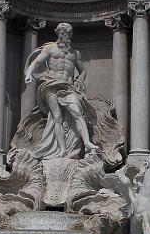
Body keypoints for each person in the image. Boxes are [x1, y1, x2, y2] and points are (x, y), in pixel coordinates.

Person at [23, 23, 99, 159]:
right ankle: (62, 150)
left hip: (68, 87)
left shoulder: (75, 53)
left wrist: (79, 81)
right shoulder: (50, 48)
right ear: (58, 33)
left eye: (69, 33)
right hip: (51, 84)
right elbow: (37, 62)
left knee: (77, 113)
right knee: (57, 117)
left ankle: (87, 143)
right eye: (63, 33)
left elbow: (83, 71)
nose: (66, 36)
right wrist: (29, 73)